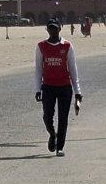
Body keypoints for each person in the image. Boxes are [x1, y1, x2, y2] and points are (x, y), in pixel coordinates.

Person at [33, 21, 82, 157]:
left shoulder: (67, 46)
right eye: (50, 28)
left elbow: (73, 69)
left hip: (65, 87)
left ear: (60, 29)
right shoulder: (41, 46)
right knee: (47, 116)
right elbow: (38, 70)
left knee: (63, 118)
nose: (53, 31)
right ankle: (52, 134)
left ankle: (59, 147)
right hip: (48, 87)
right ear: (47, 29)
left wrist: (78, 92)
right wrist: (37, 89)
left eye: (55, 28)